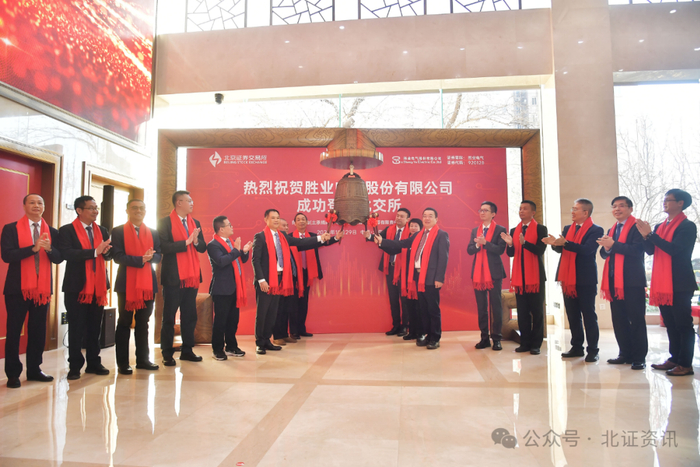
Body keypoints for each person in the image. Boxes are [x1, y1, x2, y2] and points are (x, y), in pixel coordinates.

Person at [2, 194, 62, 388]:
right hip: (17, 289)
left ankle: (35, 370)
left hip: (42, 290)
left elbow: (59, 258)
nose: (37, 205)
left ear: (44, 207)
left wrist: (49, 249)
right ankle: (13, 374)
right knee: (13, 331)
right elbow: (7, 256)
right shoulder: (11, 229)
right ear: (24, 206)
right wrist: (33, 249)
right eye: (32, 202)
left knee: (38, 331)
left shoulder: (52, 231)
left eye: (40, 203)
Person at [251, 209, 331, 355]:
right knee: (263, 313)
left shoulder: (282, 236)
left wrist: (320, 238)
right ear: (266, 220)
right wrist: (261, 280)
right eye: (273, 218)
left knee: (272, 312)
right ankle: (259, 343)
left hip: (279, 280)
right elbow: (255, 260)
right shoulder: (260, 237)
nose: (276, 220)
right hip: (266, 281)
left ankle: (267, 340)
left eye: (278, 217)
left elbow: (301, 242)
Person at [638, 189, 698, 376]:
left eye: (668, 200)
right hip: (663, 284)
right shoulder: (660, 226)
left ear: (680, 203)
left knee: (683, 324)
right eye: (664, 200)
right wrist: (645, 236)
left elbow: (674, 250)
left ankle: (685, 364)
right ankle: (674, 358)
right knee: (670, 324)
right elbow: (651, 250)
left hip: (680, 283)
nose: (664, 203)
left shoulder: (687, 226)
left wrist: (651, 235)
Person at [375, 208, 449, 349]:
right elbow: (401, 244)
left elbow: (443, 258)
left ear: (436, 219)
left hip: (432, 278)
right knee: (423, 309)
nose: (427, 218)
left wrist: (439, 278)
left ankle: (435, 338)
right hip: (418, 278)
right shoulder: (418, 235)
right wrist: (382, 241)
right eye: (424, 216)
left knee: (433, 310)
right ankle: (427, 336)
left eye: (430, 216)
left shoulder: (441, 235)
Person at [59, 195, 113, 380]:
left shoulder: (102, 230)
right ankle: (74, 366)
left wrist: (106, 252)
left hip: (98, 287)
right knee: (76, 327)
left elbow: (107, 255)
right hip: (77, 287)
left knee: (94, 327)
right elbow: (67, 253)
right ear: (79, 210)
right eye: (91, 208)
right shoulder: (67, 230)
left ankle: (93, 362)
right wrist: (94, 252)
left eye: (96, 208)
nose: (95, 211)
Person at [544, 198, 604, 362]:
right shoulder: (567, 228)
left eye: (575, 209)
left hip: (585, 279)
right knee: (572, 315)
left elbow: (587, 250)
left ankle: (593, 350)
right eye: (572, 209)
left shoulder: (596, 230)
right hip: (568, 279)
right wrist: (554, 244)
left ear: (585, 212)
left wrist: (566, 243)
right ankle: (577, 347)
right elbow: (563, 249)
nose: (572, 212)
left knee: (589, 315)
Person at [111, 199, 162, 375]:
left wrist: (150, 257)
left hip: (147, 284)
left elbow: (158, 255)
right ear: (127, 210)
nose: (138, 211)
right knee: (124, 322)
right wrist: (141, 259)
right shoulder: (118, 231)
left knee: (143, 322)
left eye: (141, 208)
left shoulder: (153, 232)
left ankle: (143, 360)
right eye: (134, 208)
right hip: (126, 283)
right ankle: (123, 363)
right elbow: (117, 256)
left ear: (145, 211)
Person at [597, 196, 647, 370]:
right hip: (614, 282)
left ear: (630, 209)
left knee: (636, 320)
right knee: (619, 320)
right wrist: (607, 247)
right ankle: (624, 353)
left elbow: (637, 251)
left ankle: (639, 357)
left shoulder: (637, 227)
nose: (617, 209)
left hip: (632, 281)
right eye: (614, 206)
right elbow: (604, 254)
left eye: (621, 206)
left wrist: (613, 244)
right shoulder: (612, 229)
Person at [158, 190, 207, 366]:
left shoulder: (195, 223)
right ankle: (167, 353)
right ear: (179, 203)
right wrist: (185, 242)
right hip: (173, 277)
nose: (192, 203)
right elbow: (163, 247)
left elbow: (202, 248)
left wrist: (195, 241)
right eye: (189, 200)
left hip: (191, 277)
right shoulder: (164, 223)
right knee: (169, 317)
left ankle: (187, 350)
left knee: (189, 315)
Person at [501, 200, 547, 355]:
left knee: (537, 312)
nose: (521, 211)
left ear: (533, 212)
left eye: (525, 209)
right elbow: (511, 254)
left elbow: (540, 250)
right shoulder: (514, 230)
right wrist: (510, 244)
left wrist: (525, 243)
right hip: (520, 278)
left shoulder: (541, 229)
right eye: (520, 208)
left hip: (536, 278)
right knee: (522, 312)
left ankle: (536, 344)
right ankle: (525, 342)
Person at [288, 212, 340, 339]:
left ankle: (302, 329)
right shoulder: (289, 237)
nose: (301, 221)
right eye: (298, 219)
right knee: (293, 304)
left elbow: (324, 242)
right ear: (294, 223)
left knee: (304, 302)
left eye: (303, 219)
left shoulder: (313, 236)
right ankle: (293, 331)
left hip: (307, 273)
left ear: (307, 222)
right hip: (294, 274)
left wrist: (336, 238)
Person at [207, 215, 252, 361]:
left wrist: (244, 251)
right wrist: (236, 250)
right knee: (221, 321)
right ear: (221, 229)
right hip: (222, 289)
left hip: (235, 288)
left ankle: (231, 346)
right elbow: (222, 261)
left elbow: (240, 259)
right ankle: (217, 349)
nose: (232, 227)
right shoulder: (213, 245)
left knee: (233, 320)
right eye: (229, 225)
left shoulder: (231, 243)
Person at [364, 208, 412, 336]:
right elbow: (379, 238)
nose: (399, 218)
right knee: (393, 298)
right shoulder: (389, 230)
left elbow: (398, 245)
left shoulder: (411, 232)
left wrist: (381, 241)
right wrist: (369, 236)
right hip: (390, 269)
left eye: (402, 216)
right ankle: (395, 325)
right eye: (397, 215)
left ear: (407, 219)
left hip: (404, 270)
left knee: (404, 300)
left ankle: (405, 326)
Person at [467, 201, 507, 351]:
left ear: (493, 214)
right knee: (482, 307)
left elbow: (500, 250)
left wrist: (486, 243)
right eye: (481, 210)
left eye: (485, 210)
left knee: (496, 306)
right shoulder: (475, 230)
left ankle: (496, 338)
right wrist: (478, 245)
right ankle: (484, 337)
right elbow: (469, 250)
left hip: (494, 273)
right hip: (478, 274)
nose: (482, 213)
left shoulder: (500, 230)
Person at [401, 218, 423, 341]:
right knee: (410, 306)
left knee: (419, 307)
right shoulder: (408, 240)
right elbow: (396, 247)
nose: (413, 228)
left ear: (420, 228)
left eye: (416, 226)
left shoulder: (422, 241)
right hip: (407, 279)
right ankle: (412, 332)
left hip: (418, 279)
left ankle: (421, 332)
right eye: (411, 226)